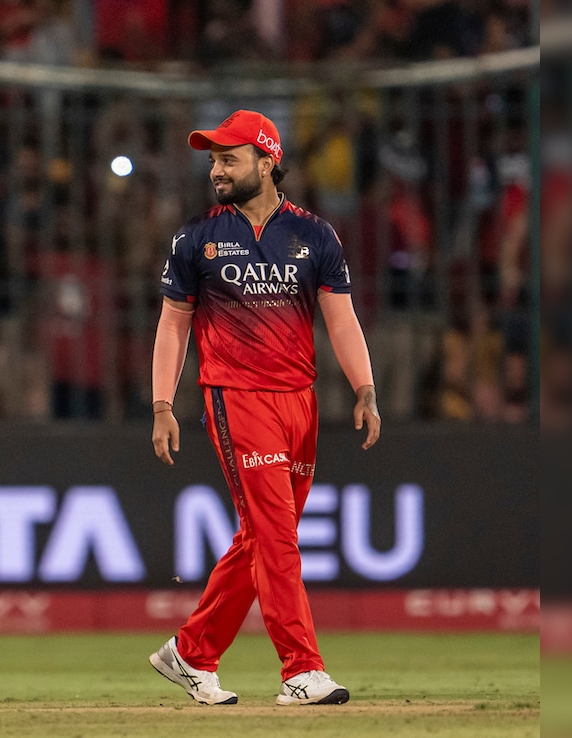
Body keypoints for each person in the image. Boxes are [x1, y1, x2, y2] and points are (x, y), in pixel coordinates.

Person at [148, 110, 380, 706]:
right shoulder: (196, 237)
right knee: (276, 535)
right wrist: (162, 403)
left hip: (299, 400)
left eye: (229, 159)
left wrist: (365, 387)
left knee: (263, 536)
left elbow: (341, 319)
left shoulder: (315, 234)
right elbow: (173, 324)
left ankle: (191, 651)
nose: (216, 170)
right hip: (235, 396)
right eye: (213, 161)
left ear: (267, 160)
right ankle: (301, 670)